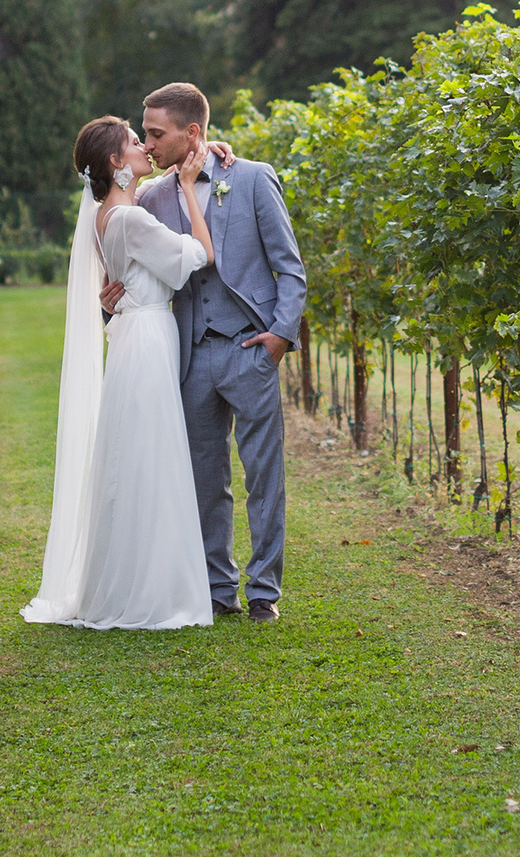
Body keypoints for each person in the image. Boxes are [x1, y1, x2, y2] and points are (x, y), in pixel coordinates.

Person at [20, 117, 216, 631]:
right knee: (151, 459)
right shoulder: (128, 219)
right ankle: (150, 590)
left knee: (135, 458)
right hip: (148, 339)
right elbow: (195, 256)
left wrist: (201, 151)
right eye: (135, 142)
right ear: (114, 162)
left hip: (133, 336)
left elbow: (146, 195)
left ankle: (129, 578)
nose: (145, 148)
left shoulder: (110, 213)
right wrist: (193, 193)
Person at [129, 82, 307, 622]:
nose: (149, 143)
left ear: (194, 133)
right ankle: (216, 585)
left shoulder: (251, 178)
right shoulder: (153, 196)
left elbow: (290, 266)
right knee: (205, 478)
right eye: (145, 134)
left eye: (157, 134)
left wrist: (279, 336)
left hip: (251, 348)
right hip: (188, 354)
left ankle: (265, 592)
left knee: (263, 475)